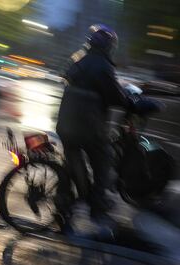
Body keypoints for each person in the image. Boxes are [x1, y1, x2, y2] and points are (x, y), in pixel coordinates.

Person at [55, 24, 132, 234]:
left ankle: (62, 203)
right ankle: (97, 208)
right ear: (109, 47)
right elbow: (116, 97)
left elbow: (69, 78)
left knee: (71, 161)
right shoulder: (104, 67)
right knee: (104, 158)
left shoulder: (78, 60)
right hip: (87, 128)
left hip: (65, 124)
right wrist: (129, 101)